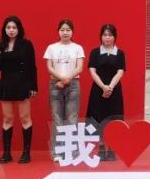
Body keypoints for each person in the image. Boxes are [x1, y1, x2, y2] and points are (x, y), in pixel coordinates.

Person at [0, 15, 38, 164]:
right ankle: (6, 153)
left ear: (19, 29)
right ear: (4, 29)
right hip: (6, 83)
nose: (11, 30)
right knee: (7, 118)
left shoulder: (26, 44)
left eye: (14, 27)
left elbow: (32, 66)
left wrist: (33, 86)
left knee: (25, 117)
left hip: (23, 83)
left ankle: (26, 152)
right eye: (8, 27)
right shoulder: (1, 45)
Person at [44, 19, 86, 162]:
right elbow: (49, 67)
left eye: (68, 30)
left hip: (73, 85)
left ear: (72, 32)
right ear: (58, 32)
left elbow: (79, 68)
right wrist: (61, 79)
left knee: (72, 119)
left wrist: (67, 79)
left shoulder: (78, 48)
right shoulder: (51, 48)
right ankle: (57, 152)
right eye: (62, 30)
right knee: (57, 120)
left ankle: (71, 152)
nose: (65, 32)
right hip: (55, 85)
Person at [87, 23, 126, 161]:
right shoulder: (95, 52)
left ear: (115, 37)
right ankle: (102, 147)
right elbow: (92, 71)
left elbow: (120, 71)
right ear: (101, 36)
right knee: (99, 119)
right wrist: (103, 87)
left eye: (110, 35)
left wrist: (110, 87)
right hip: (98, 90)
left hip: (114, 91)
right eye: (105, 35)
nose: (107, 38)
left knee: (114, 119)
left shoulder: (120, 53)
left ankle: (113, 148)